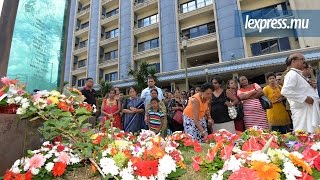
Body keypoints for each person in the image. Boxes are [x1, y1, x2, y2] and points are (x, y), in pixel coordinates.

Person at [281, 53, 320, 133]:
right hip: (302, 110)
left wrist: (313, 87)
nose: (304, 61)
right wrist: (305, 98)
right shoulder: (291, 74)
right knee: (304, 134)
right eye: (302, 59)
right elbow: (285, 91)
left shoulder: (298, 74)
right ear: (294, 61)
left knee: (312, 134)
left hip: (308, 109)